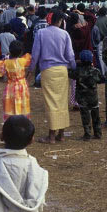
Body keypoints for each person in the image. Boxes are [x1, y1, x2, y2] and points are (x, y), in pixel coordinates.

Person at [29, 11, 75, 144]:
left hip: (48, 71)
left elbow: (35, 54)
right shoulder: (65, 34)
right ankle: (61, 134)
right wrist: (74, 68)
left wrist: (31, 70)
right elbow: (70, 55)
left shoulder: (41, 33)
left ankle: (51, 136)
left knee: (51, 103)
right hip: (62, 71)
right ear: (60, 21)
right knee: (62, 102)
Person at [68, 50, 104, 140]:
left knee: (85, 117)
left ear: (81, 60)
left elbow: (70, 73)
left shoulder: (78, 71)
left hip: (82, 98)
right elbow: (101, 79)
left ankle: (87, 134)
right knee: (96, 116)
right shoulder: (96, 71)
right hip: (93, 97)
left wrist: (75, 64)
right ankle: (98, 133)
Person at [0, 40, 31, 121]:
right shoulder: (23, 61)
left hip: (10, 87)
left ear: (10, 51)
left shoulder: (6, 62)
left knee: (10, 106)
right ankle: (23, 124)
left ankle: (10, 125)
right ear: (21, 51)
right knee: (22, 104)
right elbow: (29, 58)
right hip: (22, 86)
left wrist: (4, 59)